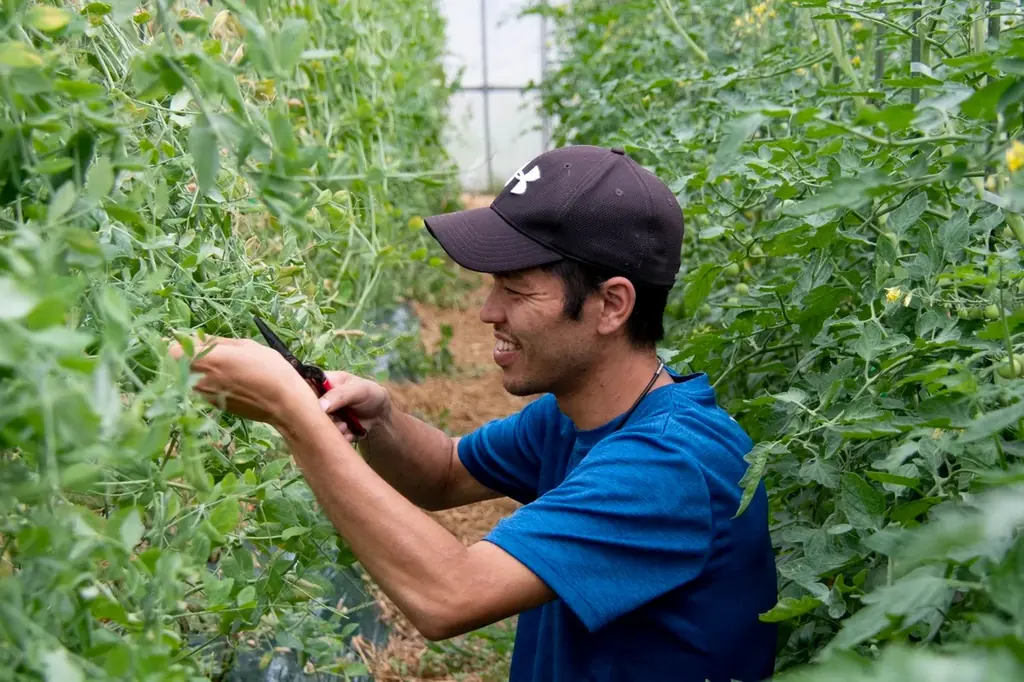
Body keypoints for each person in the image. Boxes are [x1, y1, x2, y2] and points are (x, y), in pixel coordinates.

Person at [170, 145, 778, 682]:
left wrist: (290, 412)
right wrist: (379, 420)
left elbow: (448, 595)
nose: (487, 312)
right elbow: (442, 472)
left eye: (515, 292)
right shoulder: (576, 414)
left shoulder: (670, 464)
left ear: (612, 304)